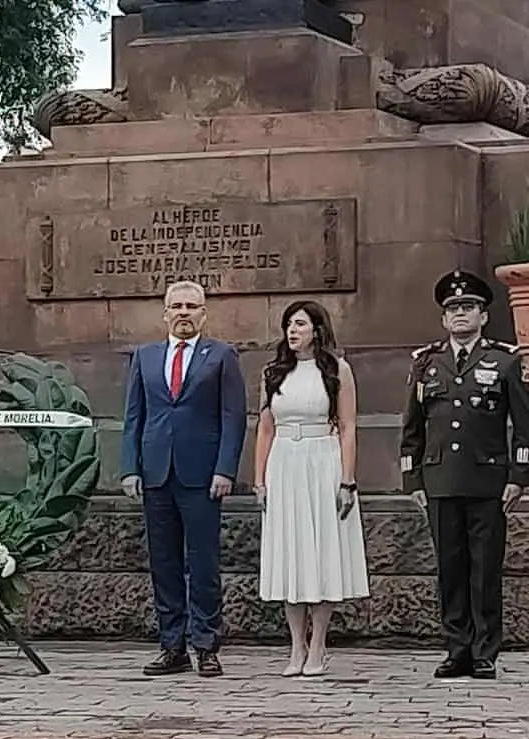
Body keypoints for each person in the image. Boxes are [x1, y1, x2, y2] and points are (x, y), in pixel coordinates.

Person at [400, 271, 529, 680]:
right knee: (450, 567)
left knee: (484, 569)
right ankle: (456, 647)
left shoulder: (505, 360)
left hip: (488, 481)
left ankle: (484, 651)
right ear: (444, 320)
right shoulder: (427, 363)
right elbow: (412, 427)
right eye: (453, 309)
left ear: (483, 314)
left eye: (468, 308)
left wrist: (519, 476)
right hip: (440, 480)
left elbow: (525, 425)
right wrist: (413, 480)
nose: (460, 315)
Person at [121, 280, 247, 677]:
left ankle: (206, 645)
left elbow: (233, 417)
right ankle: (171, 645)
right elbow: (133, 417)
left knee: (203, 562)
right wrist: (130, 467)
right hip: (157, 474)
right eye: (177, 306)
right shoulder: (145, 356)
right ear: (165, 313)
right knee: (164, 564)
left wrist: (225, 468)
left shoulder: (221, 356)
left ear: (204, 314)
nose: (184, 312)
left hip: (202, 475)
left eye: (192, 306)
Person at [254, 300, 369, 677]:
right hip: (285, 462)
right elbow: (265, 428)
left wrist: (346, 479)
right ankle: (295, 646)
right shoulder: (273, 372)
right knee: (291, 554)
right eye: (289, 324)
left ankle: (318, 643)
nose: (293, 330)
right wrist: (260, 479)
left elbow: (348, 426)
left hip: (323, 459)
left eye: (300, 324)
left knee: (320, 553)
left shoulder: (337, 370)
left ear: (317, 330)